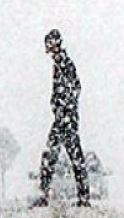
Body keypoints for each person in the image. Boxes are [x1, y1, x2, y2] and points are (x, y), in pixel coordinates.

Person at [33, 29, 90, 207]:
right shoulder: (59, 62)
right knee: (58, 156)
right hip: (63, 118)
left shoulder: (64, 62)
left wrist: (64, 106)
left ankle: (80, 197)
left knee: (61, 156)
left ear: (55, 43)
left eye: (49, 44)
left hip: (66, 119)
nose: (47, 48)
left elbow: (76, 86)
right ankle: (79, 197)